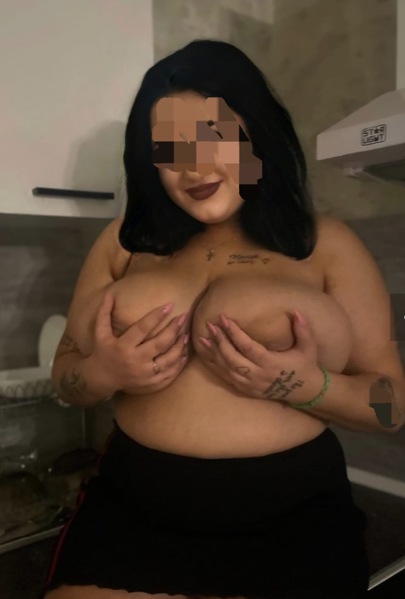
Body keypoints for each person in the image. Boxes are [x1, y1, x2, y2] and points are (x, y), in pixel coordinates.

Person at [41, 40, 405, 599]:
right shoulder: (124, 241)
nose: (192, 167)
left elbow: (391, 406)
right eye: (168, 149)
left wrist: (309, 387)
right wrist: (103, 374)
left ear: (256, 134)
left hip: (291, 522)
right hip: (133, 511)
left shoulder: (325, 244)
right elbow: (64, 372)